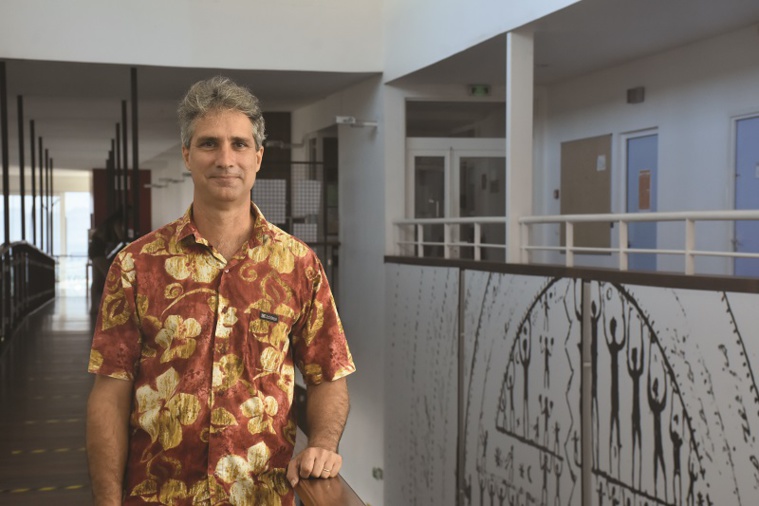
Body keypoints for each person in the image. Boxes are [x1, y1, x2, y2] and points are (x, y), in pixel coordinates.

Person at [86, 76, 356, 506]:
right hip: (158, 496)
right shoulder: (137, 265)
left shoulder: (298, 265)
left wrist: (323, 443)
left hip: (263, 496)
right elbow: (110, 394)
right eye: (209, 143)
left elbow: (329, 374)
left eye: (239, 144)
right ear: (187, 155)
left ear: (258, 157)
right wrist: (106, 500)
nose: (225, 159)